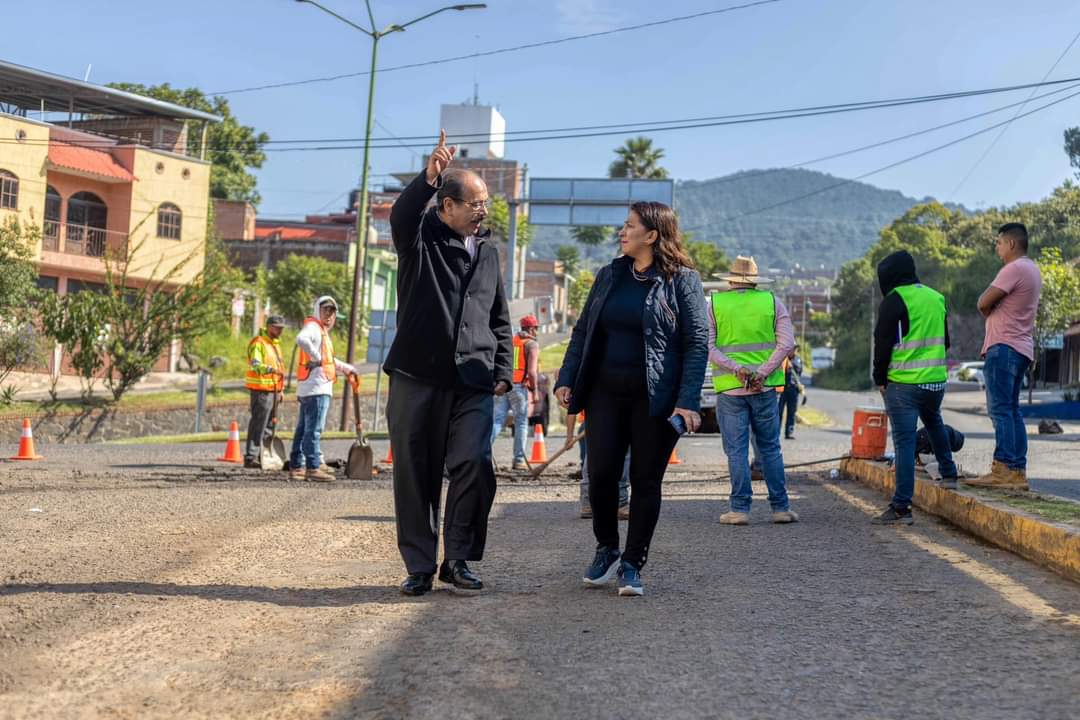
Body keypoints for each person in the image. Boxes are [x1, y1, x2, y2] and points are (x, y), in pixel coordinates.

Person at [555, 201, 708, 597]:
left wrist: (688, 400)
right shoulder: (610, 275)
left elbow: (696, 344)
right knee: (601, 475)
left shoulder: (682, 281)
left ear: (652, 235)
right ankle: (607, 547)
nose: (622, 232)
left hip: (656, 400)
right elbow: (583, 331)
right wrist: (567, 378)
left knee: (645, 481)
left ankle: (632, 563)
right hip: (605, 394)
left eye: (630, 226)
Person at [384, 130, 513, 596]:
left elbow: (499, 317)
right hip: (417, 377)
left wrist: (503, 372)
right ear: (447, 207)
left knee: (475, 463)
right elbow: (401, 215)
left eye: (485, 203)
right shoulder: (420, 244)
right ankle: (419, 565)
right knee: (415, 474)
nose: (482, 210)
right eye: (474, 203)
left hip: (473, 381)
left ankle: (457, 559)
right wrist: (429, 177)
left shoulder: (490, 253)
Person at [870, 250, 958, 525]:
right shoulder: (936, 297)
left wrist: (880, 378)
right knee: (934, 421)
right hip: (935, 381)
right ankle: (949, 474)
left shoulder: (894, 300)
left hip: (904, 385)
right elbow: (945, 343)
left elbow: (882, 345)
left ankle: (901, 507)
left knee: (905, 443)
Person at [709, 256, 798, 526]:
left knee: (736, 450)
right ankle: (780, 508)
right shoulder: (772, 302)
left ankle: (739, 509)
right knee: (770, 448)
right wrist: (762, 372)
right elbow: (787, 344)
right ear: (755, 280)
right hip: (764, 389)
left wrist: (736, 369)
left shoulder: (715, 303)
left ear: (731, 279)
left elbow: (708, 346)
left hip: (730, 390)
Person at [966, 223, 1042, 491]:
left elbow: (983, 302)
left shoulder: (1015, 268)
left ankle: (1004, 468)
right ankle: (1016, 471)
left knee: (1000, 410)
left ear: (1011, 244)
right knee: (1012, 410)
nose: (997, 248)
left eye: (999, 243)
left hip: (1004, 347)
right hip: (1021, 348)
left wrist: (991, 313)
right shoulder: (1032, 269)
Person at [290, 297, 356, 482]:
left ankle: (297, 466)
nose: (329, 315)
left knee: (303, 429)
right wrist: (316, 355)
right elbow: (301, 339)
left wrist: (346, 368)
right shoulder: (313, 328)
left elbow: (327, 361)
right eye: (325, 310)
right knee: (313, 430)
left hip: (309, 388)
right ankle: (312, 467)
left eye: (332, 311)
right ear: (317, 310)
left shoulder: (320, 331)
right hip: (316, 389)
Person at [491, 314, 539, 469]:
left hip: (503, 385)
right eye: (536, 328)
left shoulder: (512, 342)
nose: (536, 331)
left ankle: (481, 452)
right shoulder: (531, 344)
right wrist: (535, 391)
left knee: (497, 420)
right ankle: (518, 460)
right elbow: (532, 372)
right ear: (531, 328)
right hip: (519, 388)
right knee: (521, 422)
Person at [565, 410, 629, 520]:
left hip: (595, 421)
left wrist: (569, 436)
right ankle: (620, 503)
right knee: (623, 455)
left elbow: (572, 405)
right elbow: (572, 404)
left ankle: (589, 503)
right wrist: (569, 436)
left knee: (593, 457)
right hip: (614, 419)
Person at [244, 315, 286, 469]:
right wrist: (269, 369)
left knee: (269, 425)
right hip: (261, 390)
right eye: (277, 327)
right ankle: (251, 456)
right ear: (268, 327)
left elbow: (280, 369)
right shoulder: (259, 343)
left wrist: (280, 390)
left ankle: (264, 456)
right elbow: (255, 365)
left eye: (281, 328)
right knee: (258, 424)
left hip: (273, 390)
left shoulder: (275, 345)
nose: (280, 330)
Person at [777, 345, 803, 440]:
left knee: (791, 412)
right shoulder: (782, 358)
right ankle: (776, 432)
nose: (793, 351)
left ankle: (789, 432)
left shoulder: (798, 360)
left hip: (793, 389)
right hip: (782, 389)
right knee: (778, 412)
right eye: (792, 349)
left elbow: (799, 373)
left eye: (794, 349)